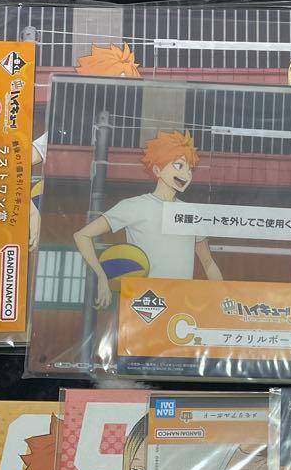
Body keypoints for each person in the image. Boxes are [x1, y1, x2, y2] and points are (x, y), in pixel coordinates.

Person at [73, 129, 223, 309]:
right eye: (179, 165)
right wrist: (102, 276)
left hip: (181, 304)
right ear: (157, 169)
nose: (187, 174)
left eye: (190, 168)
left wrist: (223, 299)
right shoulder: (134, 206)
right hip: (143, 303)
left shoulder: (192, 213)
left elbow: (208, 262)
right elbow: (81, 235)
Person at [30, 43, 143, 248]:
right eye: (115, 81)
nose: (119, 92)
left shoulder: (131, 132)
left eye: (126, 85)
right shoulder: (69, 125)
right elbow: (22, 159)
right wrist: (32, 209)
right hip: (63, 209)